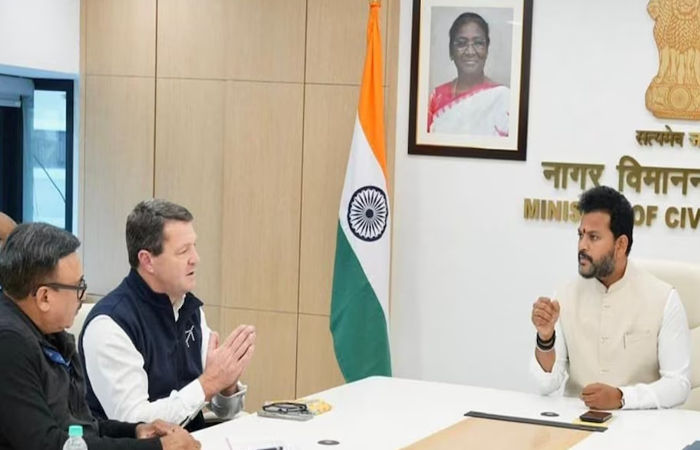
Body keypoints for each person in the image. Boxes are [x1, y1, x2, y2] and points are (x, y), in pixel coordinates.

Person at [0, 222, 200, 450]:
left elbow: (82, 426)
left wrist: (136, 431)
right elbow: (48, 444)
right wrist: (158, 448)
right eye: (78, 287)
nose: (83, 296)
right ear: (44, 297)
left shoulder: (50, 333)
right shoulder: (9, 344)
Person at [80, 199, 256, 431]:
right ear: (147, 261)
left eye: (194, 246)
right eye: (183, 251)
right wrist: (209, 383)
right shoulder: (110, 325)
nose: (196, 258)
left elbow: (225, 411)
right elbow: (136, 423)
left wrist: (227, 385)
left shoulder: (189, 308)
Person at [530, 186, 691, 410]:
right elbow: (546, 384)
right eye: (581, 235)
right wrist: (545, 338)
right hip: (577, 423)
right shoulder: (565, 296)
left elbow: (678, 384)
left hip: (641, 425)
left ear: (621, 245)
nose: (582, 245)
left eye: (593, 237)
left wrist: (622, 397)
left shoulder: (663, 299)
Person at [427, 12, 510, 136]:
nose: (470, 52)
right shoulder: (437, 97)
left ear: (487, 49)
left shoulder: (503, 98)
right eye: (461, 43)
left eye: (478, 43)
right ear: (451, 51)